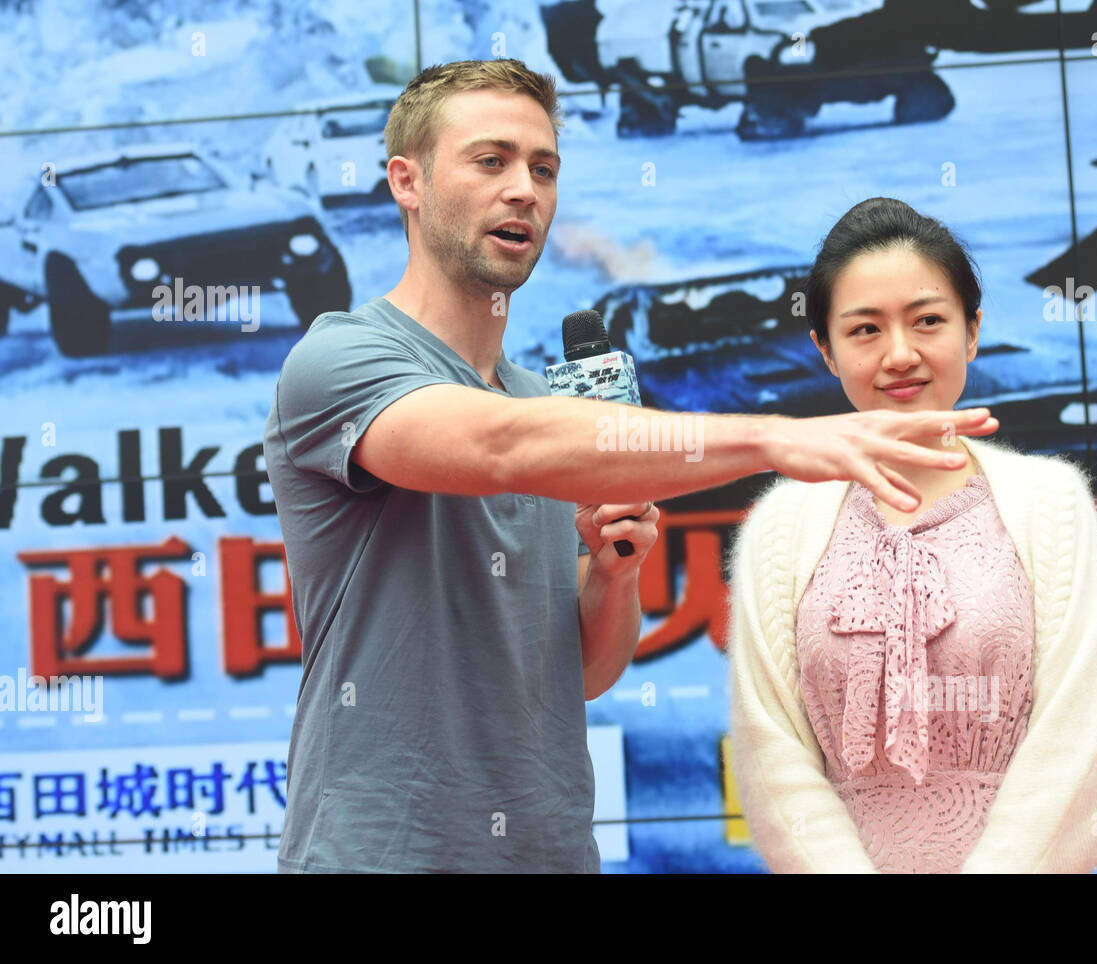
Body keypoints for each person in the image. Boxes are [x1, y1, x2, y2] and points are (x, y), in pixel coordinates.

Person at [264, 62, 998, 873]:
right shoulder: (341, 359)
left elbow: (582, 672)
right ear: (407, 180)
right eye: (491, 161)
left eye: (543, 168)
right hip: (378, 855)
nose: (524, 191)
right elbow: (497, 448)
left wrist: (617, 575)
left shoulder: (546, 403)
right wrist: (779, 440)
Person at [727, 197, 1097, 874]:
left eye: (928, 322)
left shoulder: (1053, 504)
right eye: (864, 330)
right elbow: (771, 757)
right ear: (825, 351)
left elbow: (1079, 739)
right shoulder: (782, 526)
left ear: (972, 332)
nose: (900, 354)